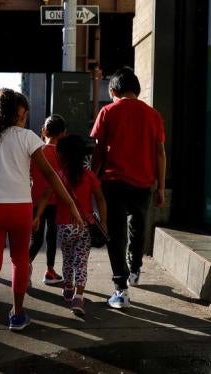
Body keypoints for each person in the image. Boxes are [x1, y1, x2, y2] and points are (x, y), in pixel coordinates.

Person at [0, 89, 83, 352]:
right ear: (19, 114)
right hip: (20, 209)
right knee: (19, 261)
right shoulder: (28, 138)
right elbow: (51, 176)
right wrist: (71, 203)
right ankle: (17, 315)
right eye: (24, 113)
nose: (26, 117)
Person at [90, 66, 166, 309]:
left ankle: (121, 288)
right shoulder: (153, 115)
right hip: (144, 184)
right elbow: (161, 153)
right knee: (138, 226)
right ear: (137, 90)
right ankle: (135, 269)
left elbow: (99, 150)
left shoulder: (108, 111)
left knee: (116, 234)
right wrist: (161, 187)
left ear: (113, 90)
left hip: (114, 182)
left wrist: (91, 179)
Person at [34, 134, 107, 316]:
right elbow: (100, 198)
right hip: (85, 226)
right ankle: (78, 296)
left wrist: (37, 217)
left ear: (62, 155)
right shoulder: (89, 175)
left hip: (64, 226)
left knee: (67, 258)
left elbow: (44, 197)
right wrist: (103, 222)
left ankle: (68, 287)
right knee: (81, 261)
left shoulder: (59, 176)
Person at [29, 114, 66, 286]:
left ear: (43, 131)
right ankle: (50, 271)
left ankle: (25, 266)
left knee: (35, 239)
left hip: (35, 201)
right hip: (55, 202)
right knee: (52, 237)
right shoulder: (62, 156)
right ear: (63, 134)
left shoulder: (36, 152)